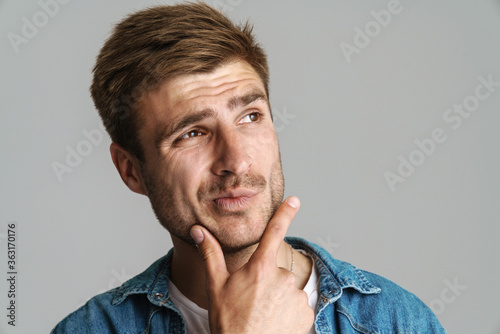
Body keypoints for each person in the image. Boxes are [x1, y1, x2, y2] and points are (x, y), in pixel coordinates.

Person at [51, 2, 446, 333]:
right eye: (192, 133)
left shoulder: (398, 322)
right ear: (131, 170)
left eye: (251, 117)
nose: (236, 160)